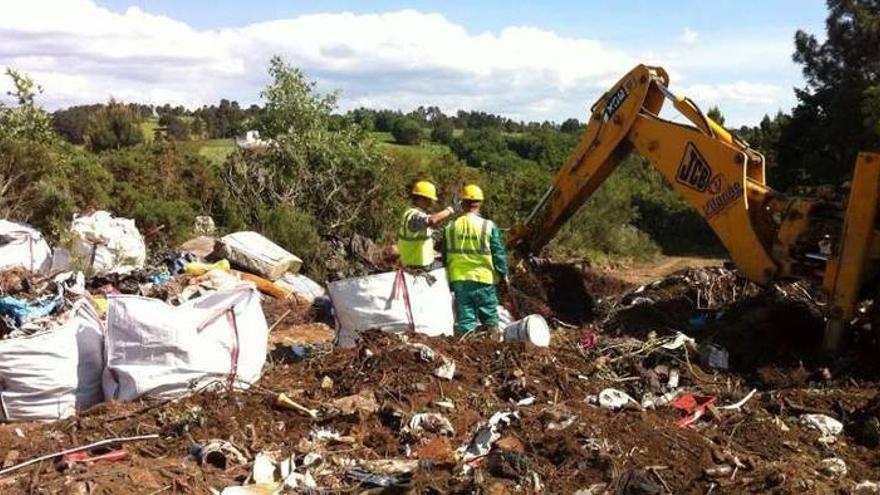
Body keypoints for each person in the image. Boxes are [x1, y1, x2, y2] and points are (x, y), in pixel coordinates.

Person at [442, 184, 508, 334]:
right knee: (490, 318)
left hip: (459, 280)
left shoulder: (450, 227)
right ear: (480, 203)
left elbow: (445, 256)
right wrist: (503, 274)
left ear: (462, 203)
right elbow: (498, 253)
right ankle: (493, 345)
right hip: (484, 279)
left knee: (466, 321)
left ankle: (465, 349)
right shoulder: (488, 226)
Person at [397, 180, 454, 269]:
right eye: (430, 200)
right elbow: (432, 220)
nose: (431, 202)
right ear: (422, 199)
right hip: (418, 266)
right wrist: (449, 210)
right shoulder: (414, 216)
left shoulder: (414, 213)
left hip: (415, 263)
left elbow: (432, 224)